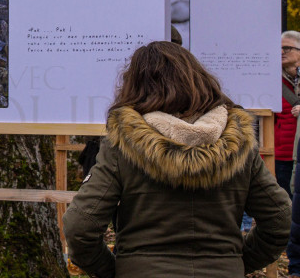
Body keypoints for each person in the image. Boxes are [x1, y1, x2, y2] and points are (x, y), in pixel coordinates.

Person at [63, 41, 289, 277]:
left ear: (136, 86)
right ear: (198, 79)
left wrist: (114, 270)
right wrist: (236, 262)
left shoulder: (123, 145)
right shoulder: (239, 143)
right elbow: (279, 219)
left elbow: (80, 227)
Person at [280, 31, 300, 193]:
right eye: (278, 48)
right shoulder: (270, 78)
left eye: (286, 48)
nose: (281, 52)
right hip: (280, 154)